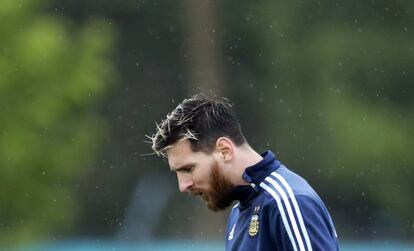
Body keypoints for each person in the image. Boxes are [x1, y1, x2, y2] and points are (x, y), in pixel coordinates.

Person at [149, 94, 339, 251]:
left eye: (188, 169)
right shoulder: (239, 212)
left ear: (224, 150)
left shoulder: (287, 202)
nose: (183, 186)